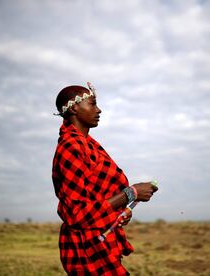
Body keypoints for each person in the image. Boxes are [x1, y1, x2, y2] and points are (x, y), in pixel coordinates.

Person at [52, 82, 158, 275]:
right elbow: (76, 214)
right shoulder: (71, 147)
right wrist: (131, 193)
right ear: (75, 107)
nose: (99, 110)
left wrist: (119, 211)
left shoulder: (88, 144)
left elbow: (96, 198)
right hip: (87, 249)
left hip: (101, 242)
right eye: (92, 104)